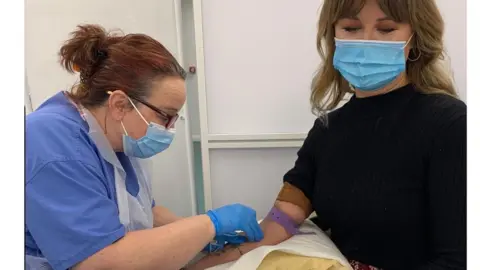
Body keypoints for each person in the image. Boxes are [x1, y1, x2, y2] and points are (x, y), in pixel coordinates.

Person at [188, 0, 466, 269]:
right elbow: (282, 220)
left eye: (386, 29)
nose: (367, 41)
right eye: (351, 28)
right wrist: (205, 261)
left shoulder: (450, 124)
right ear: (333, 36)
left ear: (415, 38)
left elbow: (458, 260)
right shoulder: (327, 130)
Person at [25, 24, 263, 270]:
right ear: (119, 104)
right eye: (165, 116)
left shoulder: (116, 137)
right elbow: (98, 261)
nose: (170, 129)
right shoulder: (53, 144)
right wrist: (210, 224)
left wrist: (201, 236)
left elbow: (141, 213)